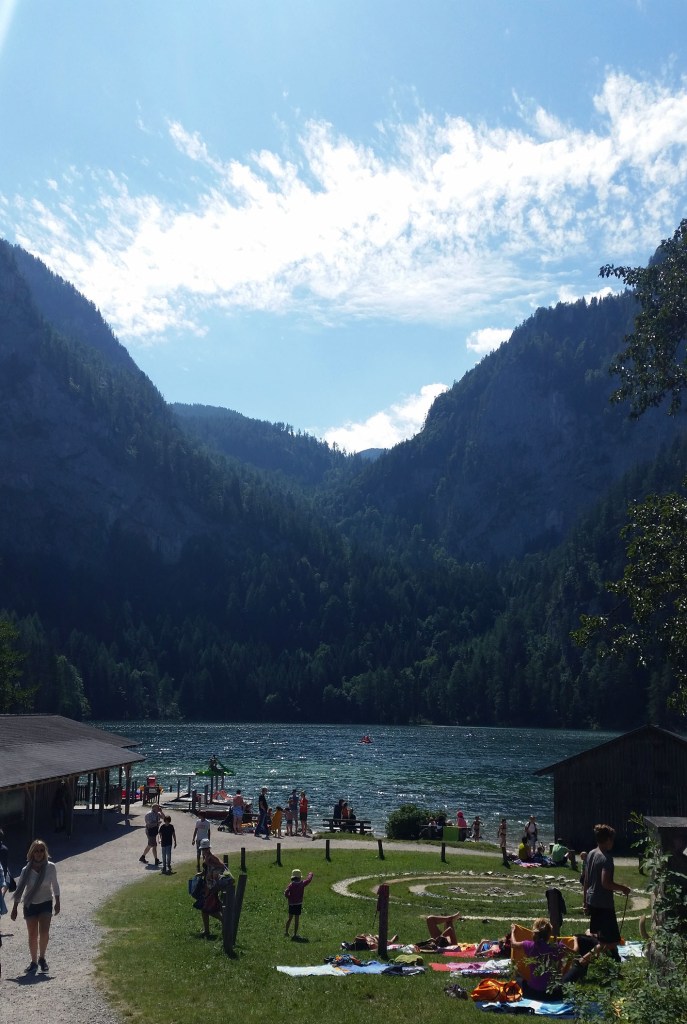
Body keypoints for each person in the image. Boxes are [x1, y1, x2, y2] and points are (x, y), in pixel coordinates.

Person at [11, 838, 60, 974]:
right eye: (36, 851)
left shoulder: (51, 867)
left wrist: (58, 902)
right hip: (30, 905)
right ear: (32, 852)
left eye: (41, 850)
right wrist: (14, 908)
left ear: (45, 852)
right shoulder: (25, 870)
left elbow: (55, 885)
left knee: (44, 932)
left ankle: (42, 958)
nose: (39, 853)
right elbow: (20, 889)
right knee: (32, 934)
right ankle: (33, 962)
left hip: (46, 902)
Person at [583, 823, 631, 959]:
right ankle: (584, 959)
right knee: (612, 940)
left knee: (600, 935)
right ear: (608, 840)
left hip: (592, 899)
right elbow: (606, 883)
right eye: (612, 840)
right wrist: (623, 888)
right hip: (603, 903)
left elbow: (586, 880)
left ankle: (608, 958)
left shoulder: (591, 854)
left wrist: (584, 901)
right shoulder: (606, 858)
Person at [510, 917, 567, 1000]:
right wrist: (576, 940)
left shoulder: (529, 945)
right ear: (549, 933)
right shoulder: (558, 947)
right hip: (552, 994)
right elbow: (574, 952)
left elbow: (513, 944)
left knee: (517, 977)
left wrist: (513, 931)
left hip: (532, 993)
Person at [197, 838, 229, 939]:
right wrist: (201, 874)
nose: (204, 850)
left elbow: (222, 868)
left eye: (205, 849)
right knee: (205, 909)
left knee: (209, 910)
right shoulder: (207, 858)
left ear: (209, 848)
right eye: (203, 849)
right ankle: (207, 931)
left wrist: (215, 881)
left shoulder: (212, 858)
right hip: (208, 886)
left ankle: (226, 922)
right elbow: (207, 870)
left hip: (212, 887)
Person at [284, 867, 313, 938]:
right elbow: (309, 880)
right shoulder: (302, 883)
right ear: (299, 877)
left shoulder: (291, 885)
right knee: (296, 919)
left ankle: (286, 932)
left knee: (290, 918)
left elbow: (286, 892)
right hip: (298, 904)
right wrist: (310, 874)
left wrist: (289, 897)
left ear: (292, 877)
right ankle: (295, 934)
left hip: (291, 904)